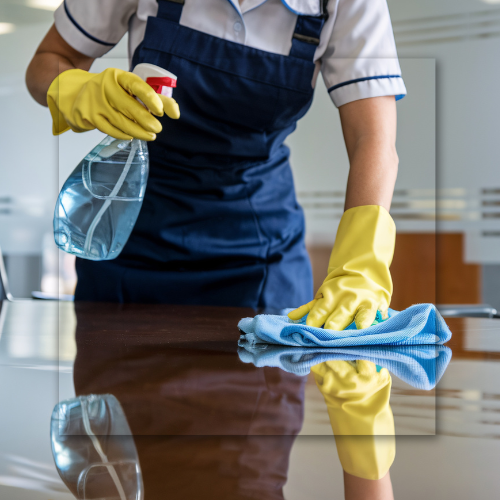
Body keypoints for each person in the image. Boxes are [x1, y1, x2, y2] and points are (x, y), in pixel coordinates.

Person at [26, 0, 405, 330]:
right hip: (132, 240)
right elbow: (46, 64)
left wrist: (360, 263)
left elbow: (372, 139)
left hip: (259, 255)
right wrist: (77, 87)